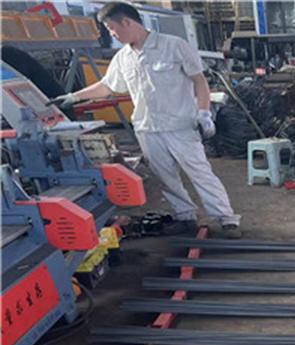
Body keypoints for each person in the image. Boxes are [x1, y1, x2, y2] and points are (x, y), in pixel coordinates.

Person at [52, 2, 241, 237]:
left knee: (199, 172)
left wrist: (204, 113)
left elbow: (199, 81)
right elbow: (107, 86)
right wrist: (74, 97)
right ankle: (185, 217)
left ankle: (226, 218)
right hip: (147, 128)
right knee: (165, 177)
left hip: (180, 125)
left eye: (112, 28)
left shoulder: (173, 46)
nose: (111, 34)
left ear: (127, 22)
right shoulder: (123, 58)